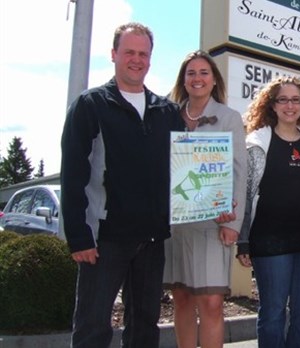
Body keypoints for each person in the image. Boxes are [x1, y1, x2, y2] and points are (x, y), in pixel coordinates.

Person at [60, 22, 185, 348]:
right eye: (129, 52)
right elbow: (73, 174)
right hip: (103, 240)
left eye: (143, 54)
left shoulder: (167, 111)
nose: (137, 59)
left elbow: (183, 171)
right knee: (93, 326)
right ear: (114, 54)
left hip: (152, 238)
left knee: (145, 327)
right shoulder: (91, 106)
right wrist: (78, 236)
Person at [163, 50, 247, 348]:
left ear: (214, 81)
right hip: (174, 225)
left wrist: (233, 224)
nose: (197, 78)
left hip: (214, 223)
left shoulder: (229, 118)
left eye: (203, 73)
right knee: (182, 298)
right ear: (183, 80)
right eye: (191, 73)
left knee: (211, 302)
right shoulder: (167, 115)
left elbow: (240, 171)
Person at [237, 76, 300, 348]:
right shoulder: (257, 142)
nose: (290, 105)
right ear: (272, 105)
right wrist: (243, 241)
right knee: (273, 313)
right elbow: (246, 192)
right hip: (270, 241)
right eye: (283, 100)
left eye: (296, 99)